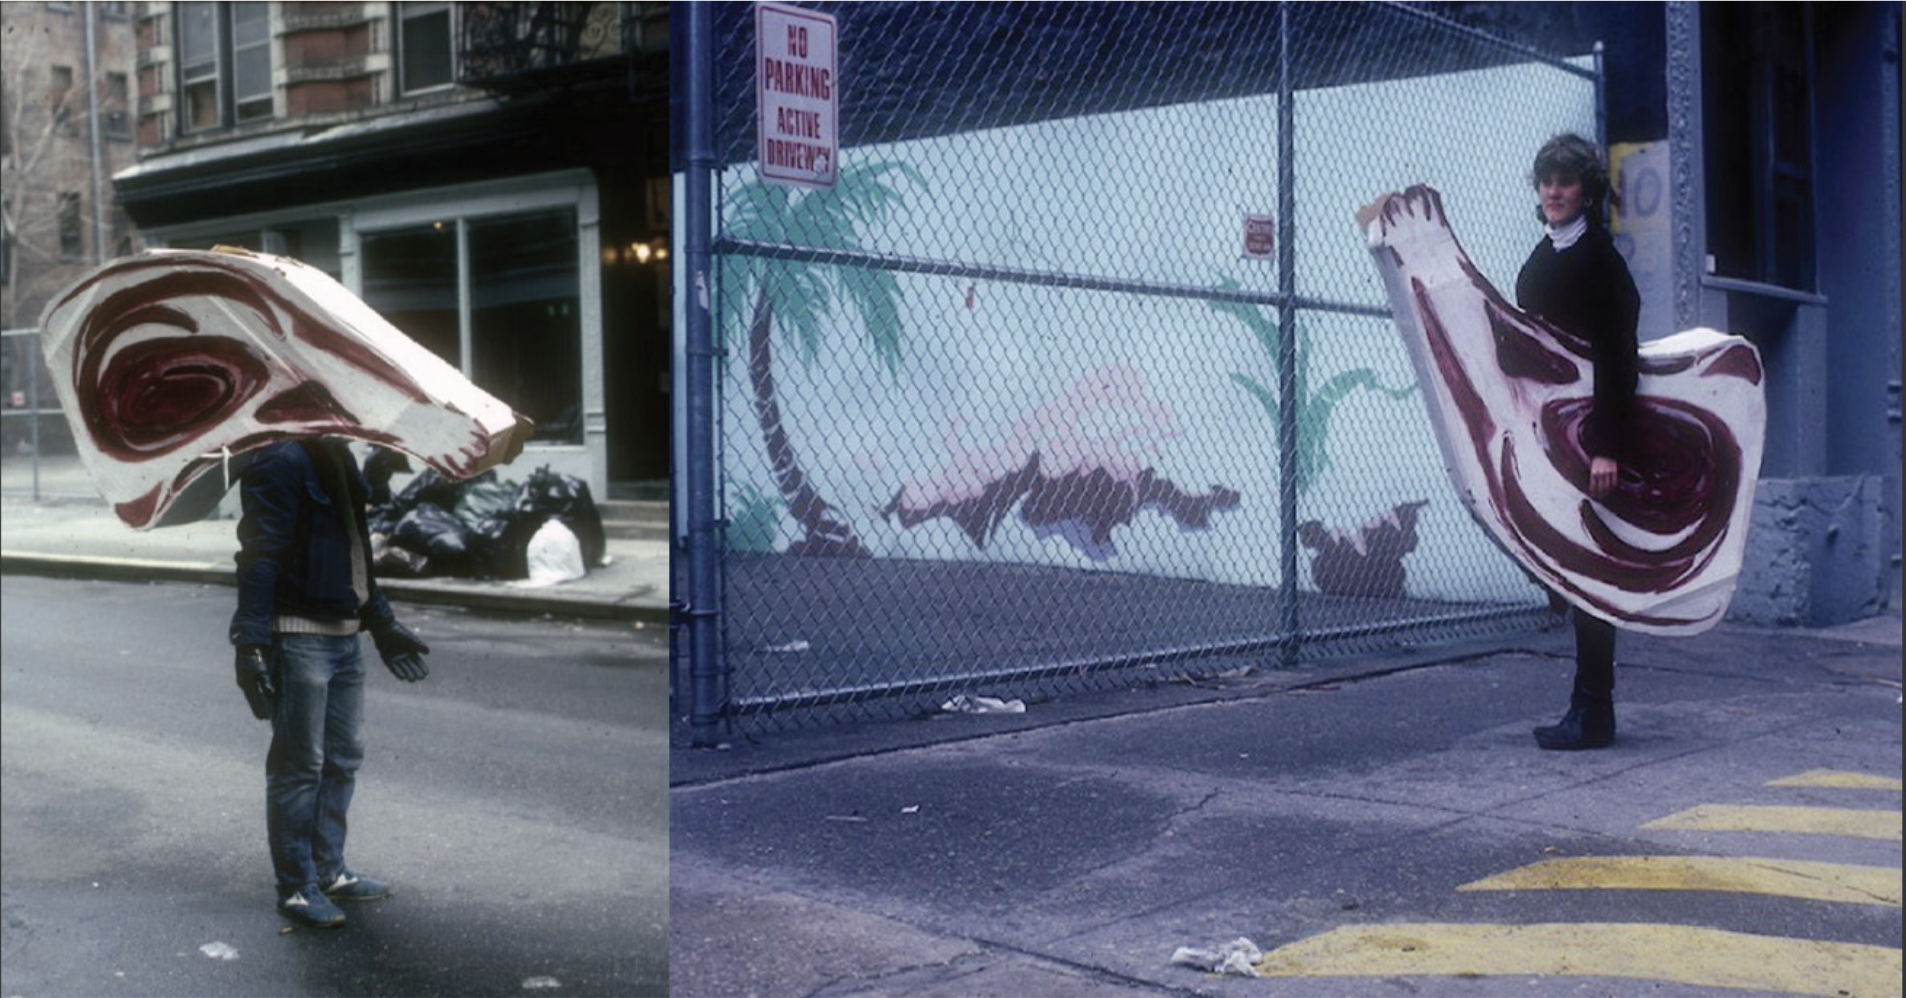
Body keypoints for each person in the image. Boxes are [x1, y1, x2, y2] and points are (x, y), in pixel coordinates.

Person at [230, 437, 432, 927]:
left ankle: (328, 870)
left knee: (343, 757)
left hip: (344, 635)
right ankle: (296, 886)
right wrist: (250, 643)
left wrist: (381, 625)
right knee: (300, 766)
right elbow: (259, 555)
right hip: (299, 636)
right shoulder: (280, 459)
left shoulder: (335, 455)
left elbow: (357, 551)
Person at [1514, 133, 1641, 751]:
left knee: (1590, 566)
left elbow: (1621, 359)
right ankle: (1589, 708)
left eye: (1565, 181)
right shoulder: (1543, 257)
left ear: (1586, 190)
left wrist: (1609, 447)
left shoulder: (1600, 260)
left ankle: (1593, 710)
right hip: (1552, 434)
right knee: (1565, 562)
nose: (1554, 192)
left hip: (1593, 437)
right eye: (1546, 181)